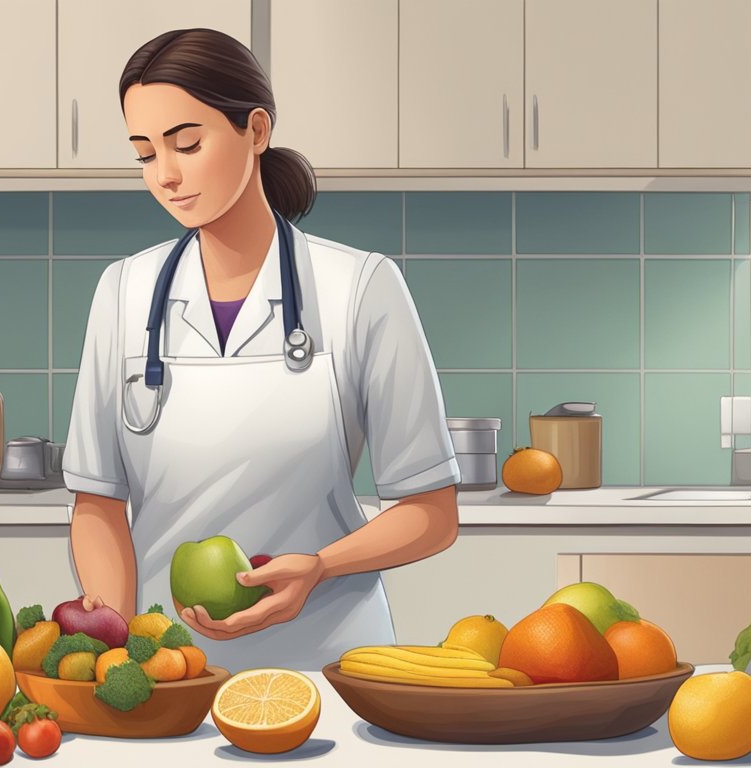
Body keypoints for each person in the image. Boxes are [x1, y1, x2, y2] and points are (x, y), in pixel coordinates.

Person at [60, 28, 462, 672]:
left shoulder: (360, 287)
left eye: (187, 144)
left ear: (255, 129)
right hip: (172, 671)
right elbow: (98, 506)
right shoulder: (123, 292)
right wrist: (125, 657)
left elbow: (431, 512)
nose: (165, 175)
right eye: (143, 153)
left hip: (332, 666)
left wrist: (321, 566)